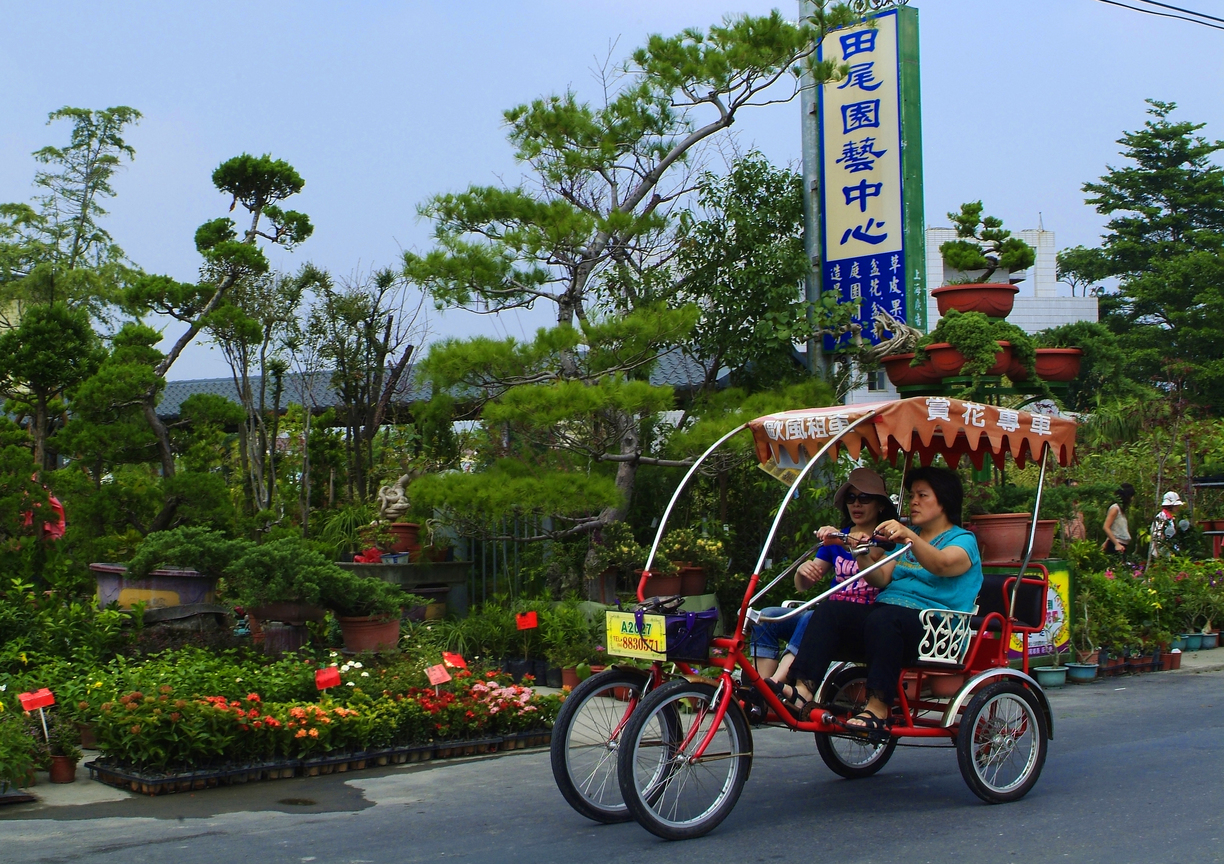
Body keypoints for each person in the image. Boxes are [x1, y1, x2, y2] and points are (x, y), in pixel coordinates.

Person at [787, 465, 983, 738]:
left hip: (936, 628)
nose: (913, 501)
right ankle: (803, 690)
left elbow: (941, 564)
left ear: (944, 501)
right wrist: (859, 551)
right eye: (912, 494)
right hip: (890, 619)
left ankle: (878, 708)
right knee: (831, 610)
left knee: (885, 618)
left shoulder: (963, 541)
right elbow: (879, 579)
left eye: (922, 495)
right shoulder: (908, 539)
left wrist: (910, 536)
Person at [751, 468, 897, 711]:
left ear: (880, 505)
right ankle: (760, 691)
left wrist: (849, 542)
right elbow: (804, 585)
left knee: (815, 614)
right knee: (767, 616)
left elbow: (877, 565)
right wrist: (802, 572)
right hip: (827, 618)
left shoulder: (886, 539)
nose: (856, 505)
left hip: (860, 621)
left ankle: (776, 685)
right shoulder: (838, 539)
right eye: (851, 499)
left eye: (864, 498)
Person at [1102, 483, 1134, 560]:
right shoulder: (1115, 508)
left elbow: (1114, 527)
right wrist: (1116, 544)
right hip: (1116, 544)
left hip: (1122, 544)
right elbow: (1106, 527)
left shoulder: (1121, 510)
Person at [1150, 491, 1186, 559]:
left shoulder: (1170, 518)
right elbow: (1157, 536)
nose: (1178, 507)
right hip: (1161, 554)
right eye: (1176, 506)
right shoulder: (1161, 517)